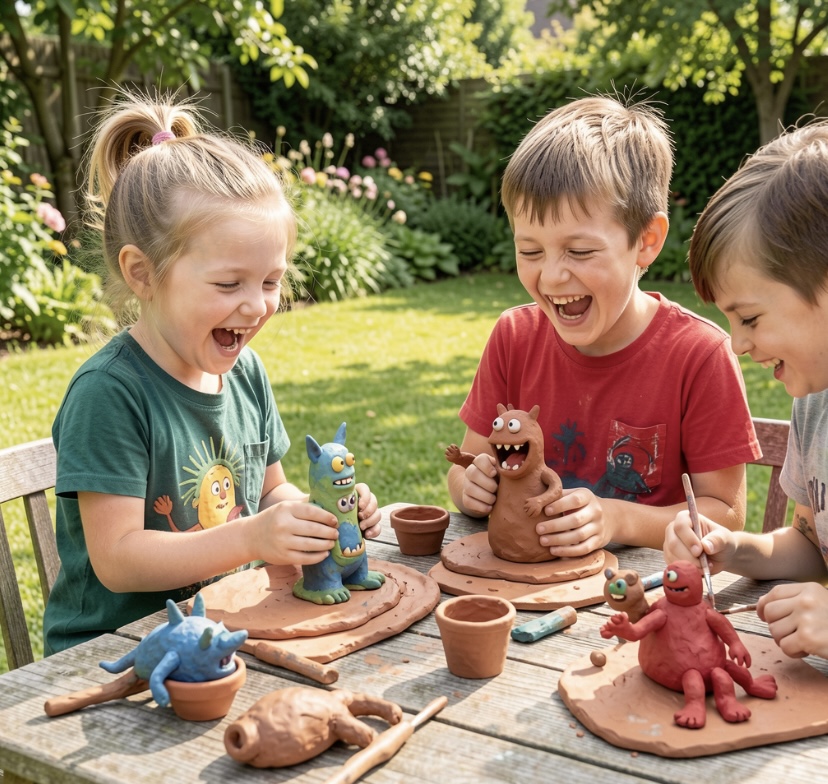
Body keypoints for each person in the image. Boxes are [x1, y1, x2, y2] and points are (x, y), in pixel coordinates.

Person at [43, 92, 381, 654]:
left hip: (219, 634)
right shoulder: (110, 393)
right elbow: (118, 559)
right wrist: (249, 537)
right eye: (229, 285)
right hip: (112, 653)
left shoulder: (245, 373)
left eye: (270, 282)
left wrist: (310, 517)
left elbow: (272, 491)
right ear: (142, 274)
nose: (255, 305)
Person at [447, 94, 760, 558]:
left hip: (637, 601)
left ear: (646, 242)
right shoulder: (513, 338)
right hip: (518, 589)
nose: (552, 275)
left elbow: (725, 514)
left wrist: (618, 517)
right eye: (530, 251)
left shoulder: (699, 355)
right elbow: (470, 463)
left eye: (580, 251)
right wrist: (469, 485)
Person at [664, 119, 828, 660]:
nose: (736, 345)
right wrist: (733, 548)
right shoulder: (814, 404)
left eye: (751, 317)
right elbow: (811, 545)